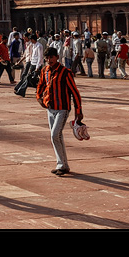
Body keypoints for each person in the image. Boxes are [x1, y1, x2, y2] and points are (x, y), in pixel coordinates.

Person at [35, 46, 83, 176]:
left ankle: (61, 164)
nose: (49, 60)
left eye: (51, 57)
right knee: (57, 136)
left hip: (62, 108)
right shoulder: (45, 71)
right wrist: (39, 98)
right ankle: (63, 164)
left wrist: (78, 110)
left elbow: (75, 92)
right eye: (47, 58)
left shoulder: (65, 72)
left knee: (54, 135)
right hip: (50, 108)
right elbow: (40, 85)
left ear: (57, 57)